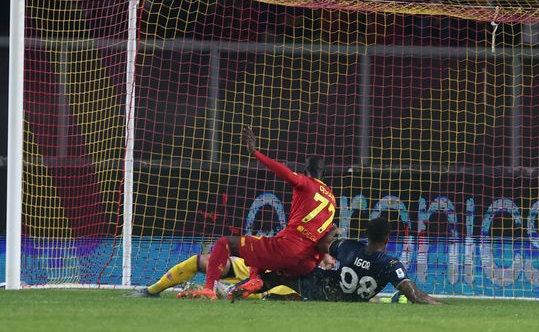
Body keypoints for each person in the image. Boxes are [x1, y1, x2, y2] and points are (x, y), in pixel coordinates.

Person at [182, 127, 336, 300]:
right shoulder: (331, 198)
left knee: (224, 243)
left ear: (305, 169)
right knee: (261, 247)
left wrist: (255, 153)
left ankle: (209, 289)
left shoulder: (306, 182)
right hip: (307, 263)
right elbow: (325, 239)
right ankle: (256, 280)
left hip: (288, 250)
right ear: (324, 172)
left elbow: (283, 171)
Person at [231, 217, 441, 304]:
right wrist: (437, 303)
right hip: (346, 301)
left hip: (321, 286)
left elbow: (322, 246)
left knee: (277, 277)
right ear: (387, 239)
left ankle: (233, 291)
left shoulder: (348, 247)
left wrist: (332, 232)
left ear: (366, 234)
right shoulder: (391, 265)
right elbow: (411, 293)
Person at [125, 253, 337, 298]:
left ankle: (227, 291)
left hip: (286, 280)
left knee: (279, 294)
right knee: (199, 261)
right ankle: (151, 291)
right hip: (264, 263)